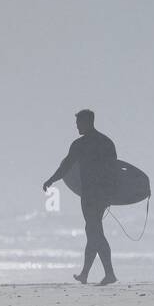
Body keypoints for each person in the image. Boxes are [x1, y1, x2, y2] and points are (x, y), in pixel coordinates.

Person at [43, 109, 119, 286]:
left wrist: (51, 180)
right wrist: (112, 195)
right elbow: (115, 171)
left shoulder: (80, 144)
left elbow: (66, 167)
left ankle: (109, 274)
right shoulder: (107, 142)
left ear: (87, 122)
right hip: (103, 194)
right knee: (92, 230)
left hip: (90, 194)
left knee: (95, 231)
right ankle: (85, 274)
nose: (76, 126)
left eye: (79, 123)